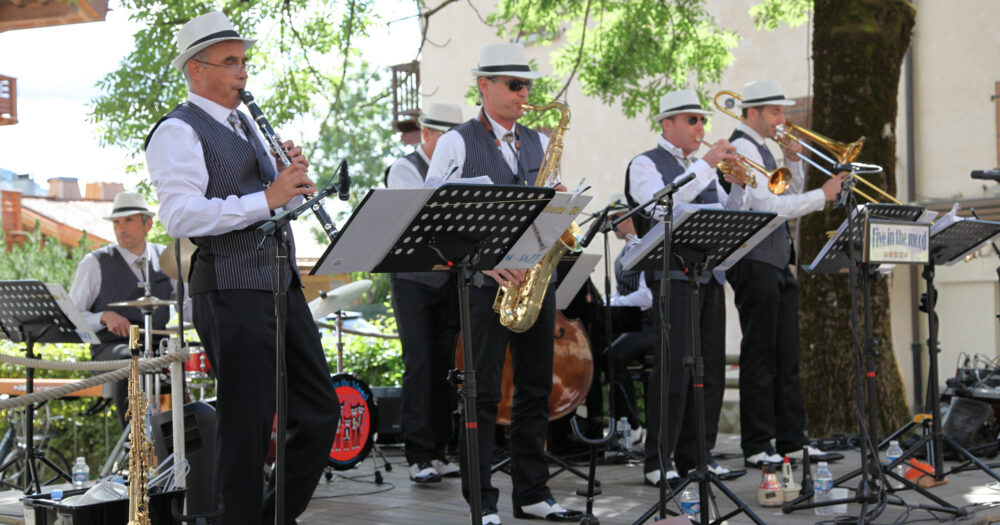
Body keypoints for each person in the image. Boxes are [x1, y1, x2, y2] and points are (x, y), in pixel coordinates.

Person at [143, 11, 339, 525]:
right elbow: (181, 215)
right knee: (247, 425)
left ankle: (272, 516)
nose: (242, 73)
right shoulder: (176, 130)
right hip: (228, 285)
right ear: (195, 70)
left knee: (320, 411)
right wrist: (267, 194)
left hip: (278, 281)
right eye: (230, 63)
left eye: (244, 61)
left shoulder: (245, 121)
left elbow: (268, 199)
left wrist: (284, 177)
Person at [426, 42, 583, 525]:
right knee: (484, 393)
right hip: (482, 282)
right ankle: (483, 501)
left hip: (535, 277)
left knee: (535, 389)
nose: (524, 93)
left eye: (527, 85)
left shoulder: (536, 141)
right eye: (515, 85)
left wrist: (557, 203)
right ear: (484, 86)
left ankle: (532, 493)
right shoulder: (456, 142)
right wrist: (487, 261)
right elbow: (435, 215)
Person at [624, 88, 748, 486]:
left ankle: (699, 456)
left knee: (708, 371)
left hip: (707, 276)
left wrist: (740, 185)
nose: (701, 127)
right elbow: (660, 208)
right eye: (692, 120)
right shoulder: (645, 163)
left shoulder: (702, 166)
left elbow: (730, 217)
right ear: (668, 124)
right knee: (673, 369)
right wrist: (708, 166)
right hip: (670, 278)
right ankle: (657, 461)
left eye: (702, 120)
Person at [724, 79, 845, 469]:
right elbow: (768, 207)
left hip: (776, 260)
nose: (782, 120)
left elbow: (787, 191)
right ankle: (758, 445)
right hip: (754, 261)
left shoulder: (762, 147)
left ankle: (792, 440)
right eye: (775, 112)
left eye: (782, 112)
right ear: (753, 113)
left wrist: (792, 159)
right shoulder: (741, 147)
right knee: (760, 357)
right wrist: (823, 197)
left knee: (786, 355)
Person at [386, 102, 464, 483]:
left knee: (446, 367)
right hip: (414, 281)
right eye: (447, 140)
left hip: (450, 280)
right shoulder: (404, 169)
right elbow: (422, 219)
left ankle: (440, 450)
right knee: (419, 363)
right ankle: (418, 454)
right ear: (428, 135)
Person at [69, 191, 187, 431]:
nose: (120, 227)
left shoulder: (167, 257)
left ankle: (175, 445)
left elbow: (188, 305)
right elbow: (71, 315)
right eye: (116, 222)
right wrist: (102, 316)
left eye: (128, 220)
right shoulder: (94, 263)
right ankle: (133, 446)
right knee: (130, 359)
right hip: (111, 350)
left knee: (181, 359)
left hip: (156, 346)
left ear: (148, 224)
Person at [603, 197, 653, 445]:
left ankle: (633, 424)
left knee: (613, 355)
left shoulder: (645, 247)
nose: (612, 225)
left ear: (629, 217)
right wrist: (607, 301)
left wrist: (611, 303)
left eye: (615, 219)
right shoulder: (622, 253)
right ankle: (619, 421)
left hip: (651, 323)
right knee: (600, 349)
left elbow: (647, 297)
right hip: (632, 322)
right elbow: (623, 293)